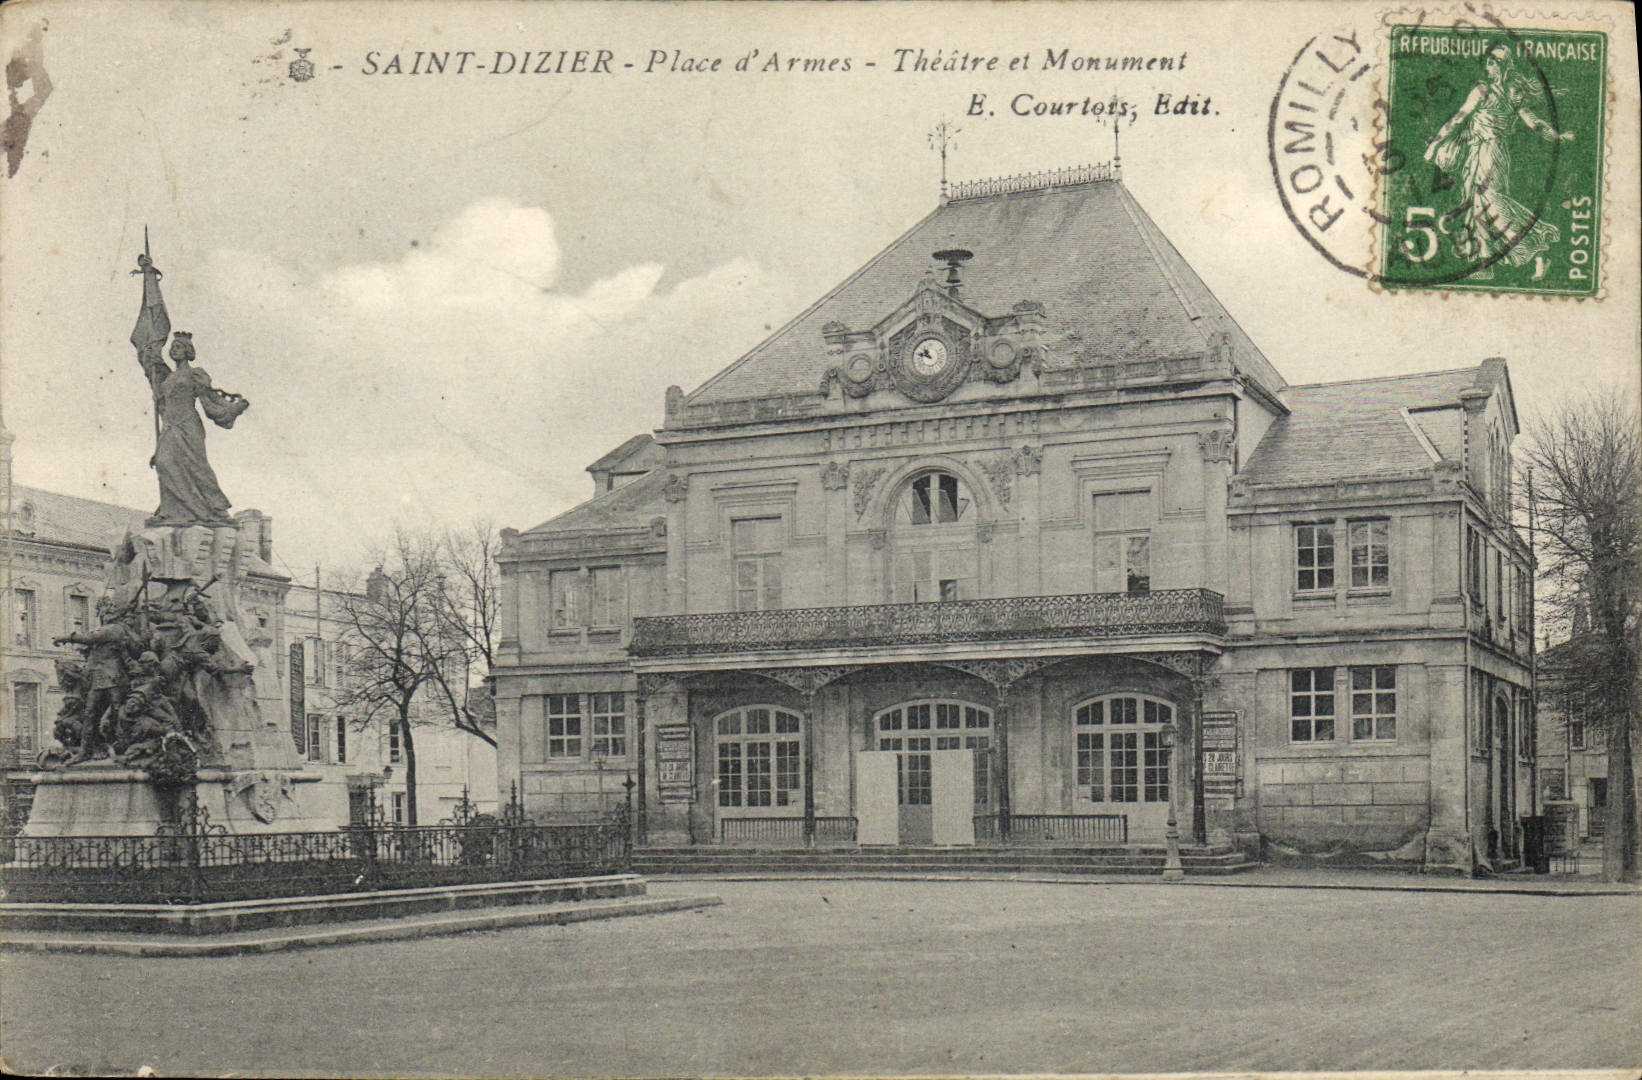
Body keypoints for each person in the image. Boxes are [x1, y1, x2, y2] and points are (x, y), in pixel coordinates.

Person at [1423, 43, 1575, 275]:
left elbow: (1532, 123)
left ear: (1503, 66)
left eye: (1492, 63)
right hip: (1483, 153)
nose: (1487, 67)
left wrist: (1557, 136)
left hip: (1490, 153)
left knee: (1488, 204)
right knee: (1479, 205)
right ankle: (1486, 263)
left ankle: (1533, 247)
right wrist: (1558, 136)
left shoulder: (1491, 92)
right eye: (1487, 62)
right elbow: (1460, 119)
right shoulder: (1506, 92)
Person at [138, 331, 250, 526]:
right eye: (173, 347)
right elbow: (164, 408)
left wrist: (230, 410)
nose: (174, 350)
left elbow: (208, 400)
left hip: (188, 425)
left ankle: (217, 508)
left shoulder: (195, 374)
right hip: (170, 427)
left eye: (178, 347)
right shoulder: (167, 380)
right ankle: (170, 510)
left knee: (196, 466)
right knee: (164, 463)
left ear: (188, 351)